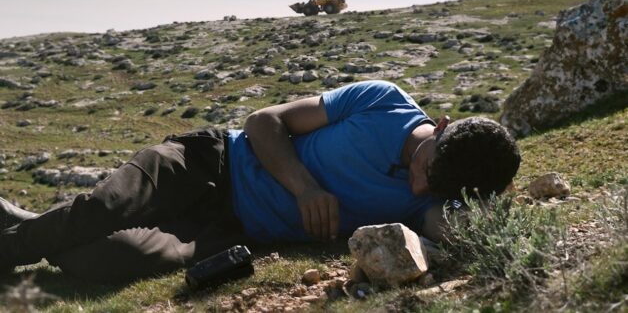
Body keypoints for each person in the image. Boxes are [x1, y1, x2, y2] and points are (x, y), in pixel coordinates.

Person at [0, 80, 520, 283]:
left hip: (235, 231)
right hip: (212, 161)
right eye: (427, 170)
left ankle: (30, 228)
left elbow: (457, 230)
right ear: (443, 126)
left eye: (437, 190)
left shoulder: (431, 200)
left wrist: (490, 201)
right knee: (108, 207)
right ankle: (14, 244)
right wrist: (304, 188)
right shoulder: (382, 101)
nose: (419, 189)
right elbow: (264, 121)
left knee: (120, 262)